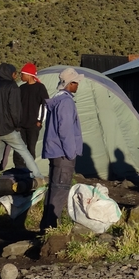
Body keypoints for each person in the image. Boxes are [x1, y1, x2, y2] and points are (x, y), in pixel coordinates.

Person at [40, 67, 84, 232]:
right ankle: (51, 227)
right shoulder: (66, 102)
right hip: (63, 153)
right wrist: (71, 152)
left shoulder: (57, 100)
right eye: (76, 82)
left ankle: (46, 225)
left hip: (54, 151)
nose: (78, 85)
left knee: (54, 187)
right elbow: (65, 129)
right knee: (60, 189)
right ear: (70, 84)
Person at [0, 63, 44, 179]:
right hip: (8, 129)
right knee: (24, 151)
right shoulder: (12, 87)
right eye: (15, 73)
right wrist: (16, 125)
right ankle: (37, 176)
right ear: (10, 73)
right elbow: (15, 109)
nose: (16, 75)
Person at [14, 63, 49, 170]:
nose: (21, 76)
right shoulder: (21, 88)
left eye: (22, 74)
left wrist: (40, 121)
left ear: (29, 75)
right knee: (19, 148)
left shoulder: (40, 87)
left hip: (33, 124)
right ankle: (18, 169)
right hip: (21, 124)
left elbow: (45, 104)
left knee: (30, 148)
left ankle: (30, 170)